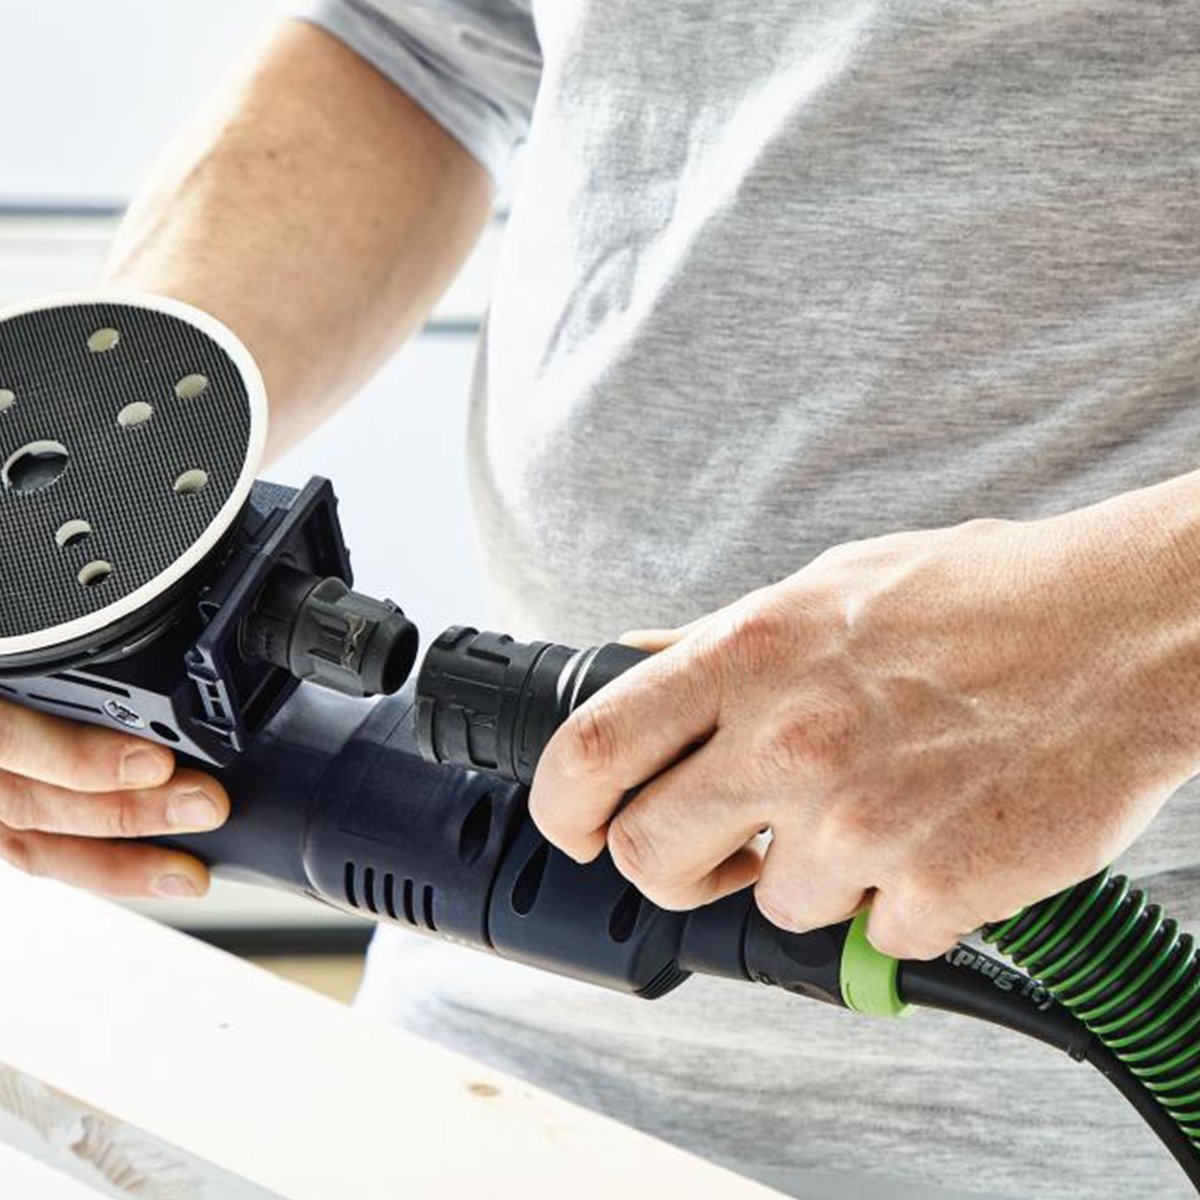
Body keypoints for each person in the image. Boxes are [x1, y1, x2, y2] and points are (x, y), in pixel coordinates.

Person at [1, 3, 1197, 1196]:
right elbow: (407, 46)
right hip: (487, 1044)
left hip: (1101, 1095)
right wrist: (70, 547)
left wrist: (1137, 625)